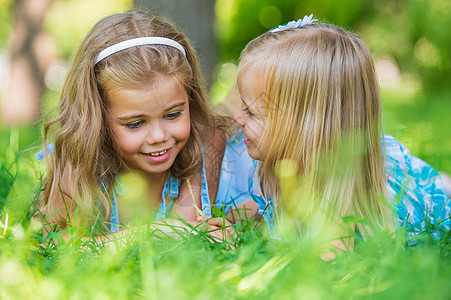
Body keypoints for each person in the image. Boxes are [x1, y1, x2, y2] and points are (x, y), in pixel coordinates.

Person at [33, 10, 249, 243]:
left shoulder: (204, 138)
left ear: (190, 99)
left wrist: (171, 230)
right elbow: (58, 245)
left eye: (173, 114)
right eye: (135, 123)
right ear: (97, 120)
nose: (158, 136)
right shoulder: (75, 159)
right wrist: (155, 231)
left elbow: (184, 235)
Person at [233, 15, 451, 243]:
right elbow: (266, 202)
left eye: (252, 112)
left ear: (307, 127)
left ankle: (444, 185)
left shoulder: (339, 200)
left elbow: (333, 265)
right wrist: (227, 219)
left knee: (440, 188)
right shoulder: (274, 165)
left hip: (423, 195)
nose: (237, 117)